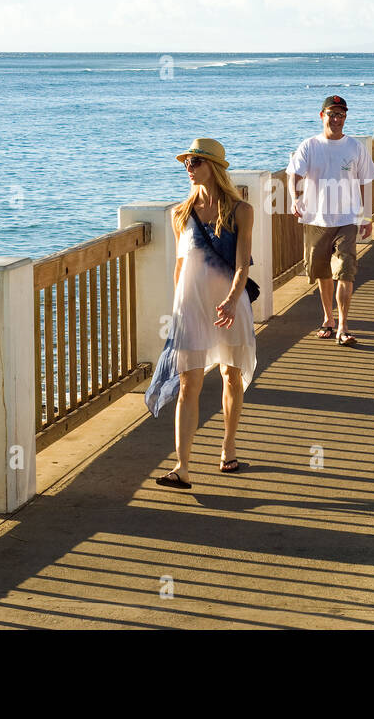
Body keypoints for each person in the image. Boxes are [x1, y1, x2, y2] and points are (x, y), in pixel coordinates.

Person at [148, 139, 256, 488]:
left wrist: (229, 299)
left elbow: (242, 266)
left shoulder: (241, 211)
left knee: (230, 375)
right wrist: (177, 306)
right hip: (190, 308)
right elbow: (181, 266)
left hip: (230, 304)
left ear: (214, 167)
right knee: (187, 384)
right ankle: (181, 466)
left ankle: (228, 445)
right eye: (187, 162)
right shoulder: (180, 213)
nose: (188, 167)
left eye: (195, 161)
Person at [288, 95, 374, 347]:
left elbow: (366, 183)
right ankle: (328, 318)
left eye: (341, 115)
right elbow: (293, 174)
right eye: (332, 114)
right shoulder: (309, 146)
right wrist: (295, 199)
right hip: (316, 219)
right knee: (323, 273)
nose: (336, 119)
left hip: (347, 219)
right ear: (322, 115)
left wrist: (366, 216)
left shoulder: (355, 147)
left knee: (345, 271)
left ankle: (343, 326)